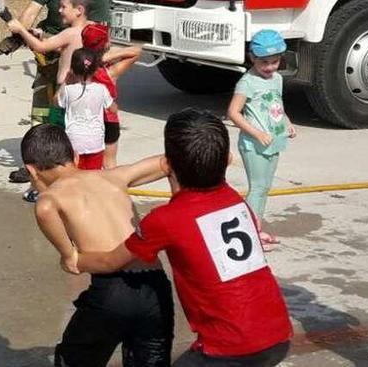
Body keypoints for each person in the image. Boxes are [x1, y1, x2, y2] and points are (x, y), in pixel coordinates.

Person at [74, 108, 293, 366]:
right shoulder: (233, 198)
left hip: (228, 347)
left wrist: (75, 260)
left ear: (167, 164)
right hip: (278, 335)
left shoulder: (165, 219)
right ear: (227, 160)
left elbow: (112, 261)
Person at [21, 123, 174, 367]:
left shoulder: (50, 199)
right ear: (75, 156)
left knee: (73, 359)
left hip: (112, 293)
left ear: (31, 169)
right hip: (155, 287)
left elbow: (72, 262)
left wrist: (69, 257)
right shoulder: (114, 176)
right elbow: (169, 162)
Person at [6, 0, 112, 185]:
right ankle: (34, 162)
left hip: (75, 61)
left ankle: (66, 164)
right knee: (41, 109)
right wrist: (19, 35)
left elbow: (96, 33)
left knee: (67, 115)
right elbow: (33, 9)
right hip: (48, 51)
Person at [227, 29, 296, 251]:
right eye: (264, 62)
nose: (270, 67)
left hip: (273, 141)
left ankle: (255, 228)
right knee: (257, 187)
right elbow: (233, 112)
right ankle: (249, 233)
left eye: (275, 61)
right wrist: (256, 133)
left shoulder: (276, 79)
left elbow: (277, 106)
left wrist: (287, 122)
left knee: (264, 187)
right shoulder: (247, 83)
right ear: (252, 58)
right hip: (253, 145)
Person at [81, 23, 142, 169]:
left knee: (83, 163)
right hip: (108, 120)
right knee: (109, 164)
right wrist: (108, 57)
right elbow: (136, 51)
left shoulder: (77, 68)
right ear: (106, 44)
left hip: (86, 120)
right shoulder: (111, 71)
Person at [55, 48, 115, 170]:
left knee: (75, 176)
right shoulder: (101, 89)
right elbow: (112, 108)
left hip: (74, 141)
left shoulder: (68, 91)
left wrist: (65, 81)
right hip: (96, 141)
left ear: (72, 69)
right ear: (95, 69)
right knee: (93, 174)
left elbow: (56, 102)